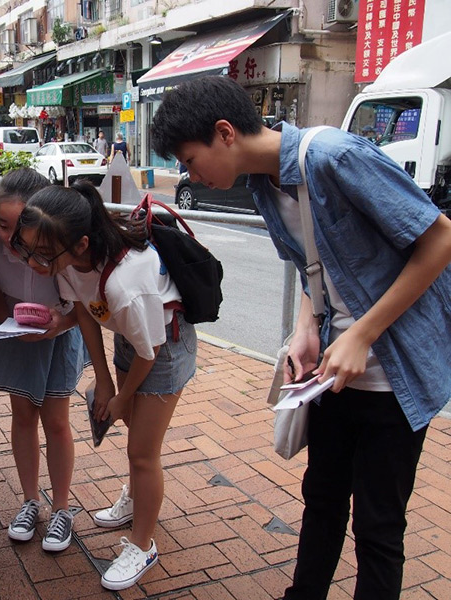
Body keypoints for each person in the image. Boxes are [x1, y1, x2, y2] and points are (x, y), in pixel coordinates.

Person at [150, 75, 451, 600]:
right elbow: (318, 266)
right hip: (332, 374)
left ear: (225, 133)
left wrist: (363, 332)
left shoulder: (333, 156)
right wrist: (305, 327)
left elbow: (440, 238)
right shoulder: (265, 185)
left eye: (190, 159)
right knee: (323, 502)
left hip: (394, 376)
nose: (188, 173)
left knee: (378, 526)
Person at [14, 180, 197, 590]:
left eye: (42, 255)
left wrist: (122, 396)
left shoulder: (125, 284)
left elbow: (150, 354)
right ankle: (138, 501)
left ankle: (143, 545)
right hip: (132, 337)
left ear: (80, 244)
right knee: (136, 434)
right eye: (27, 250)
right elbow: (83, 314)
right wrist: (103, 378)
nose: (33, 263)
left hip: (163, 345)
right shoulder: (70, 264)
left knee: (142, 452)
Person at [0, 168, 87, 553]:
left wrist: (62, 323)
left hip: (59, 331)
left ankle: (62, 508)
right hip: (16, 331)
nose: (11, 237)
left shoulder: (61, 243)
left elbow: (88, 304)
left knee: (56, 421)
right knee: (22, 415)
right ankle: (30, 501)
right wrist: (7, 320)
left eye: (19, 225)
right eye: (2, 224)